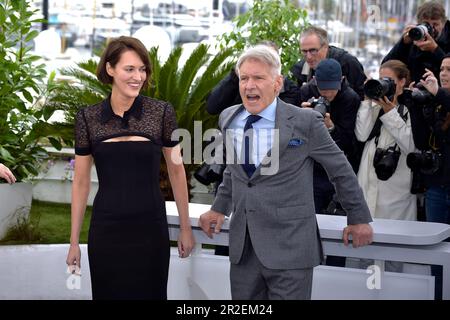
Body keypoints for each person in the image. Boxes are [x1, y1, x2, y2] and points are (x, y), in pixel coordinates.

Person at [199, 45, 373, 300]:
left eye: (258, 78)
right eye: (244, 78)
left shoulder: (305, 122)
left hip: (291, 248)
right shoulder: (228, 118)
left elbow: (341, 171)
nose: (249, 85)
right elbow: (234, 172)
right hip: (244, 249)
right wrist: (219, 208)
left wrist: (358, 218)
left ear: (277, 83)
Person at [65, 36, 195, 300]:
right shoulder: (88, 118)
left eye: (142, 69)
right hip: (106, 229)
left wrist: (185, 227)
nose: (138, 77)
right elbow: (80, 182)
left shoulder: (161, 113)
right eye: (130, 69)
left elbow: (176, 171)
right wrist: (74, 242)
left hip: (150, 228)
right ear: (110, 69)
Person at [355, 60, 417, 272]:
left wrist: (390, 112)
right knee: (365, 251)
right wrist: (367, 100)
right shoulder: (373, 104)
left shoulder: (412, 107)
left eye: (389, 80)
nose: (385, 84)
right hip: (369, 180)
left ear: (402, 82)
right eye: (382, 79)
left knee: (394, 253)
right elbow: (361, 134)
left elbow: (410, 145)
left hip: (396, 190)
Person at [299, 58, 361, 267]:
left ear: (342, 80)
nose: (326, 95)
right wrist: (301, 117)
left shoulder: (350, 98)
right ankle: (309, 264)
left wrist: (331, 128)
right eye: (322, 89)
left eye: (331, 90)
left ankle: (336, 269)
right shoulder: (307, 92)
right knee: (309, 223)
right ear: (315, 82)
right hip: (313, 172)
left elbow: (351, 142)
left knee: (339, 226)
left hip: (338, 171)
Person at [407, 54, 450, 299]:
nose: (443, 73)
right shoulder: (437, 102)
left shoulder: (442, 98)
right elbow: (422, 141)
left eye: (449, 70)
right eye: (442, 68)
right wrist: (416, 105)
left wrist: (438, 95)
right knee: (435, 251)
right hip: (436, 188)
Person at [206, 41, 300, 115]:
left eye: (258, 78)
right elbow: (212, 107)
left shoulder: (290, 89)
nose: (250, 86)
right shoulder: (236, 82)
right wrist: (235, 77)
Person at [291, 26, 367, 100]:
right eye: (304, 51)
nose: (309, 56)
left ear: (325, 47)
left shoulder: (348, 63)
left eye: (313, 50)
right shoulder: (300, 69)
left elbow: (362, 97)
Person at [382, 1, 450, 83]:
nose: (431, 28)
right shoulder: (415, 37)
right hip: (414, 90)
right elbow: (386, 66)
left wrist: (435, 50)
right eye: (426, 24)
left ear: (444, 23)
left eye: (435, 24)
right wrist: (403, 44)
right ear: (419, 23)